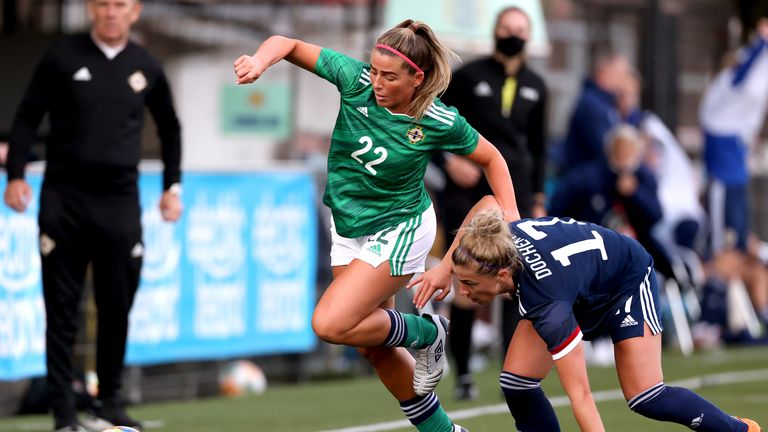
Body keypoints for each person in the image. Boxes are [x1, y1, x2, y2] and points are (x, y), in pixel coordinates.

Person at [233, 19, 519, 432]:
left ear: (416, 78)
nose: (377, 82)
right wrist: (261, 62)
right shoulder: (356, 80)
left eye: (389, 76)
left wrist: (513, 219)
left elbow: (492, 158)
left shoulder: (437, 119)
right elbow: (288, 43)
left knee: (329, 323)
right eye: (375, 70)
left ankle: (426, 331)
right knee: (373, 346)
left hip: (402, 227)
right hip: (350, 226)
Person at [410, 195, 762, 432]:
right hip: (576, 284)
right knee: (517, 383)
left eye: (468, 283)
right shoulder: (498, 239)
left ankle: (739, 429)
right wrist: (446, 266)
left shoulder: (547, 305)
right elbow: (488, 203)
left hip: (625, 280)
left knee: (645, 395)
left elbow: (581, 396)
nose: (463, 292)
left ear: (502, 275)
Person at [3, 0, 183, 431]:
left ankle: (109, 402)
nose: (110, 12)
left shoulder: (146, 66)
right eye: (102, 3)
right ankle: (64, 413)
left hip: (119, 203)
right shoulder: (62, 57)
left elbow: (170, 127)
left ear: (134, 11)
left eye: (119, 4)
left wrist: (171, 187)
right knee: (61, 308)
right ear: (90, 9)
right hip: (64, 199)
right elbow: (27, 116)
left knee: (116, 303)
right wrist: (15, 175)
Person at [434, 5, 548, 400]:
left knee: (517, 284)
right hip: (467, 197)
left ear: (528, 36)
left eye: (520, 29)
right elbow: (429, 121)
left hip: (514, 197)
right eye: (506, 28)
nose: (512, 34)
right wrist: (447, 161)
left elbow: (538, 148)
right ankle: (463, 374)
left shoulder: (537, 85)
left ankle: (513, 373)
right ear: (495, 31)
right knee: (469, 281)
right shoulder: (468, 77)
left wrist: (537, 199)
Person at [557, 50, 631, 174]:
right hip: (585, 180)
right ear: (605, 72)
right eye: (621, 74)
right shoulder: (592, 105)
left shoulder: (606, 103)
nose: (624, 81)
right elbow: (607, 147)